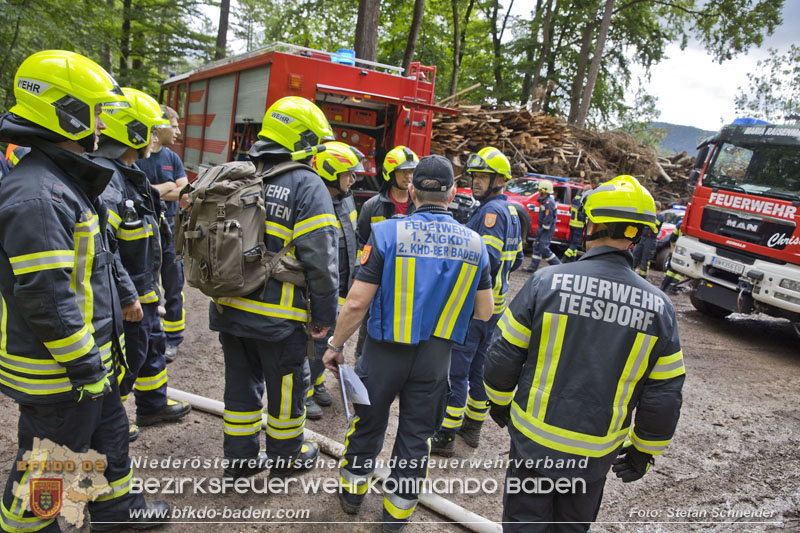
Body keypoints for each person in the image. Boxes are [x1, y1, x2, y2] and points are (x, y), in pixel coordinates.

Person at [0, 49, 169, 532]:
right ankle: (30, 526)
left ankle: (116, 510)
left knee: (109, 433)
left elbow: (99, 258)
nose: (101, 124)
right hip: (61, 372)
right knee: (50, 463)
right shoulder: (38, 195)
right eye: (94, 112)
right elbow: (47, 297)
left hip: (86, 363)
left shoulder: (62, 180)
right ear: (66, 112)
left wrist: (123, 304)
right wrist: (84, 365)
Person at [484, 175, 685, 532]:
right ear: (637, 235)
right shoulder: (660, 308)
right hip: (594, 454)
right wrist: (643, 451)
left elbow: (503, 354)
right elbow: (664, 394)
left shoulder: (546, 282)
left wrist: (499, 402)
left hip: (535, 443)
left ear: (590, 223)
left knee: (523, 525)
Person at [323, 155, 494, 532]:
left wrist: (335, 344)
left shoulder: (387, 233)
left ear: (413, 190)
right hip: (437, 359)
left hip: (383, 352)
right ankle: (397, 515)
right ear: (452, 194)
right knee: (418, 433)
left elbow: (356, 302)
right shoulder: (475, 244)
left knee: (368, 423)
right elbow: (485, 312)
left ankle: (352, 496)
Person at [210, 96, 339, 479]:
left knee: (239, 390)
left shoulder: (237, 173)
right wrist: (325, 315)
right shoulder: (306, 184)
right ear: (300, 142)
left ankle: (240, 460)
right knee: (286, 392)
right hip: (278, 319)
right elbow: (322, 260)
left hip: (230, 308)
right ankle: (285, 459)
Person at [93, 87, 192, 441]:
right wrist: (126, 294)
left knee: (150, 344)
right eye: (148, 130)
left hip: (144, 286)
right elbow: (106, 248)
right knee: (126, 355)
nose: (154, 138)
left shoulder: (129, 174)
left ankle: (152, 404)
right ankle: (115, 416)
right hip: (127, 293)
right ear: (130, 132)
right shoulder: (108, 181)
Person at [431, 147, 522, 456]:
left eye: (484, 176)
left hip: (474, 309)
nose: (477, 182)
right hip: (495, 308)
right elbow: (517, 259)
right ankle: (473, 425)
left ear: (499, 180)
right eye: (475, 176)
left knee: (457, 368)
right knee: (479, 368)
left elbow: (489, 259)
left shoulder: (491, 212)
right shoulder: (512, 211)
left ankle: (446, 434)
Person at [303, 141, 363, 420]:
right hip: (321, 285)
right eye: (348, 173)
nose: (352, 179)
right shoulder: (317, 200)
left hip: (341, 282)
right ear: (330, 173)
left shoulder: (343, 196)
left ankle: (315, 384)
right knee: (317, 340)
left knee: (328, 339)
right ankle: (303, 393)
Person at [353, 146, 419, 361]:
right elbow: (361, 242)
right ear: (390, 173)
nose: (409, 177)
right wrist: (359, 273)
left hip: (408, 278)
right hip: (377, 276)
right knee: (369, 319)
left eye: (412, 172)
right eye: (403, 172)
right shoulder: (373, 206)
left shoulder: (419, 206)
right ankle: (360, 359)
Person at [135, 105, 187, 363]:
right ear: (159, 127)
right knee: (148, 285)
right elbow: (136, 191)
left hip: (171, 233)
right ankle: (151, 333)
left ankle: (173, 338)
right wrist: (167, 186)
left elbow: (184, 191)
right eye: (175, 125)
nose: (178, 131)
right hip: (143, 232)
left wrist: (155, 189)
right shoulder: (139, 155)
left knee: (174, 283)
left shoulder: (173, 158)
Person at [525, 179, 561, 273]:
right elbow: (538, 199)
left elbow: (548, 217)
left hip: (546, 229)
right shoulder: (545, 200)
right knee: (537, 246)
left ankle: (558, 266)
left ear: (544, 191)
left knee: (543, 248)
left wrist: (544, 228)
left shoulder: (549, 203)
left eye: (541, 190)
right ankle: (533, 267)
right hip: (542, 228)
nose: (539, 192)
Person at [632, 201, 664, 278]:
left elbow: (652, 224)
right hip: (642, 238)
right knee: (635, 254)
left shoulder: (660, 217)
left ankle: (642, 276)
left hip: (650, 240)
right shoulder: (649, 215)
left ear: (657, 208)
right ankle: (631, 271)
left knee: (645, 258)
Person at [562, 183, 590, 262]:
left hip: (572, 224)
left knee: (573, 244)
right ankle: (564, 257)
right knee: (574, 244)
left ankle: (572, 260)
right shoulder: (584, 200)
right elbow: (582, 215)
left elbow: (570, 210)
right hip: (578, 226)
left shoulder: (575, 198)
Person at [660, 220, 685, 294]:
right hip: (687, 251)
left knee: (671, 268)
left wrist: (673, 247)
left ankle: (663, 286)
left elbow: (673, 237)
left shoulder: (681, 223)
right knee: (681, 271)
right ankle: (672, 289)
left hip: (677, 249)